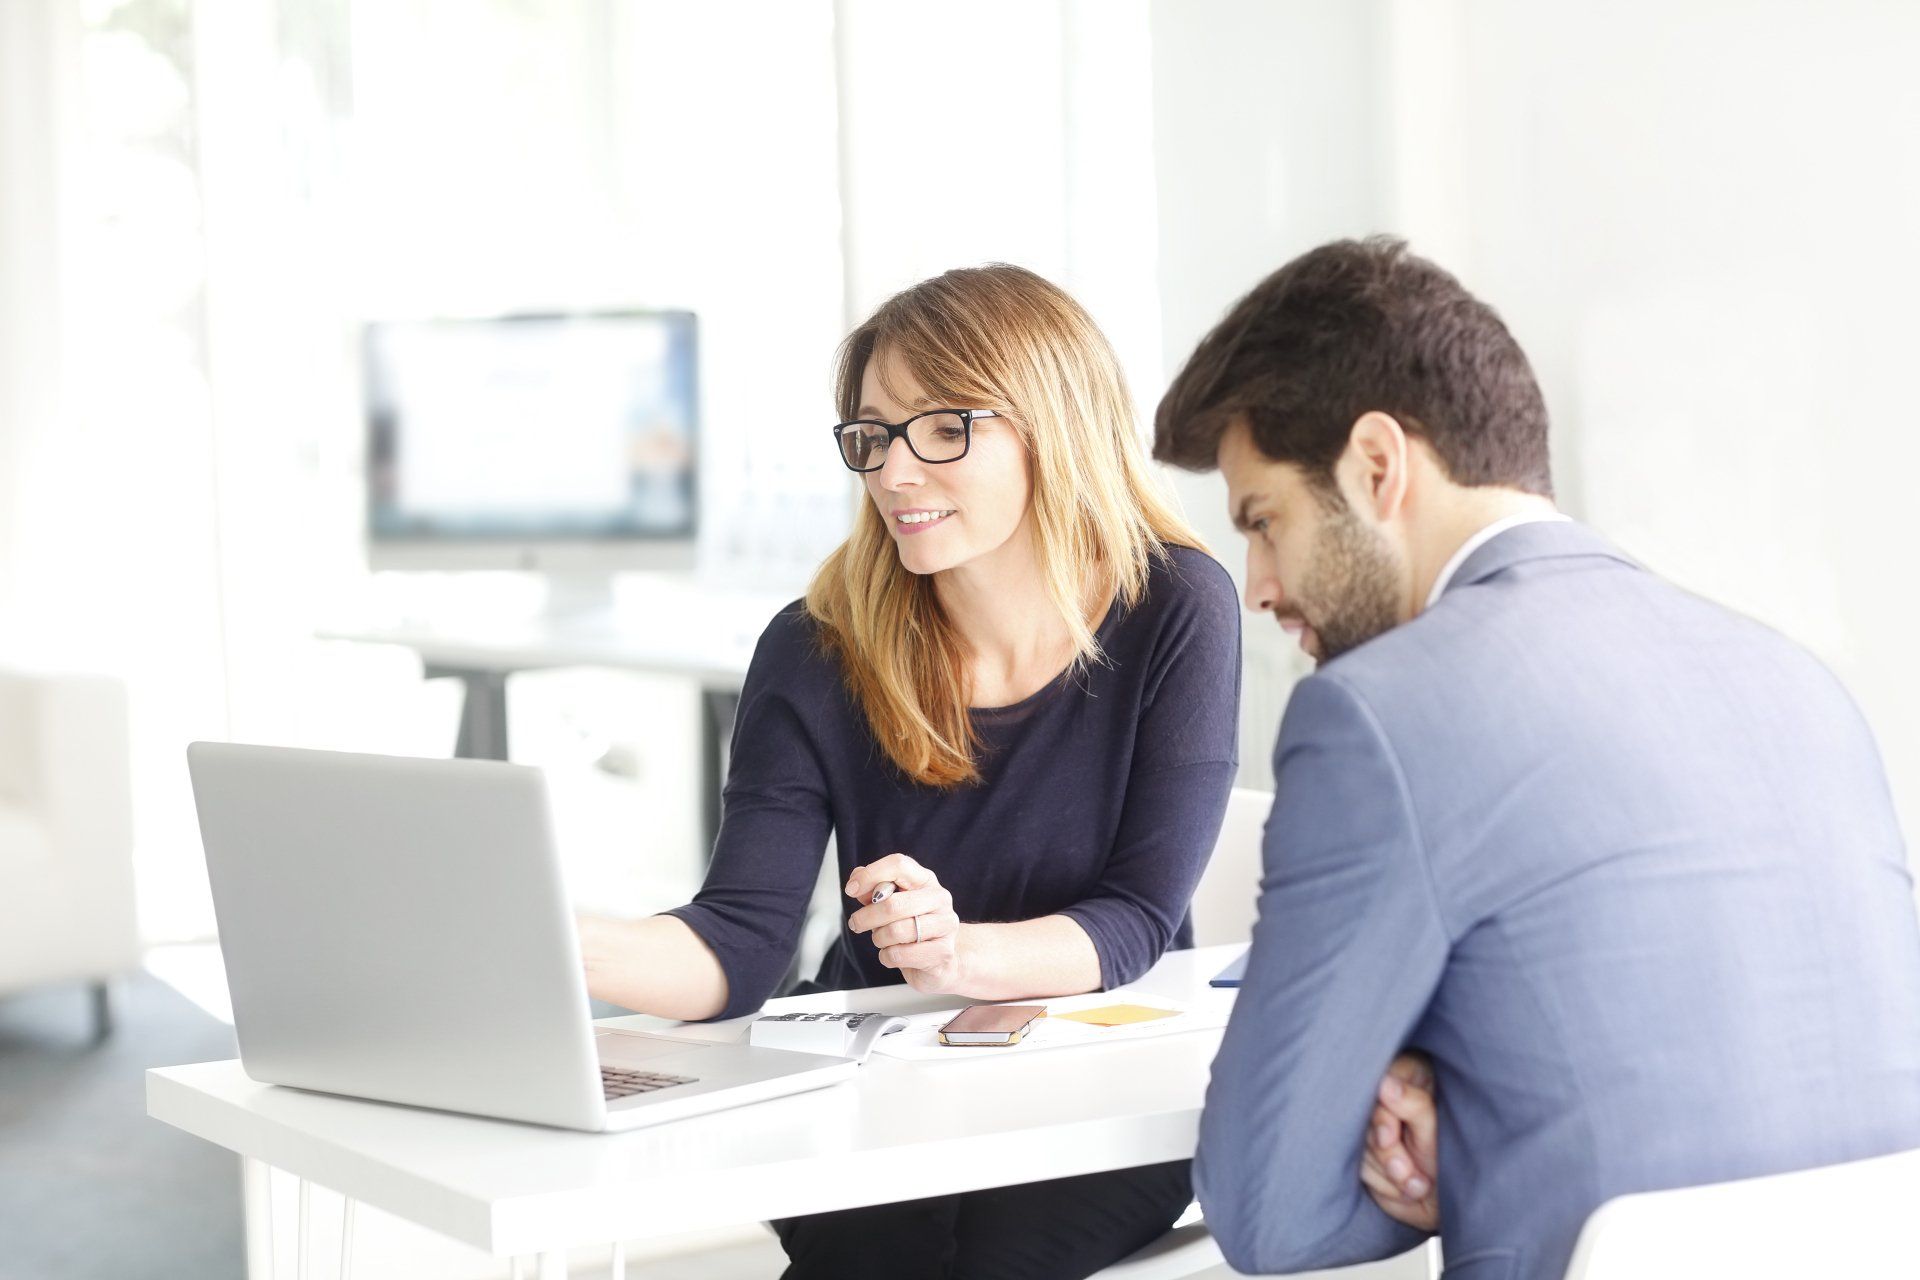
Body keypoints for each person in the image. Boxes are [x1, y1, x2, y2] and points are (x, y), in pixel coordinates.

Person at [1152, 236, 1920, 1280]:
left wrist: (1453, 1136)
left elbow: (1267, 1209)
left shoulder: (1377, 714)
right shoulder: (1803, 681)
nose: (1258, 585)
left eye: (1264, 519)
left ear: (1377, 466)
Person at [578, 264, 1243, 1279]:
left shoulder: (1176, 607)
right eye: (875, 435)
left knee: (979, 1253)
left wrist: (957, 953)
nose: (893, 470)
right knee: (876, 1241)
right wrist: (551, 939)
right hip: (873, 1085)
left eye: (943, 428)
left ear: (1050, 423)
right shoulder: (815, 645)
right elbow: (742, 941)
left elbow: (1139, 916)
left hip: (1092, 1086)